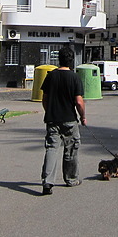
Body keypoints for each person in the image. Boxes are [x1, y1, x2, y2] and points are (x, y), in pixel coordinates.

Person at [40, 47, 86, 196]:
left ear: (58, 60)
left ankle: (47, 182)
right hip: (69, 119)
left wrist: (49, 111)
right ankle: (71, 179)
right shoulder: (74, 78)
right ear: (72, 60)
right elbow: (79, 102)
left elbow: (44, 99)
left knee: (52, 149)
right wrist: (83, 117)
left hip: (52, 119)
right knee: (71, 148)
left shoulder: (50, 76)